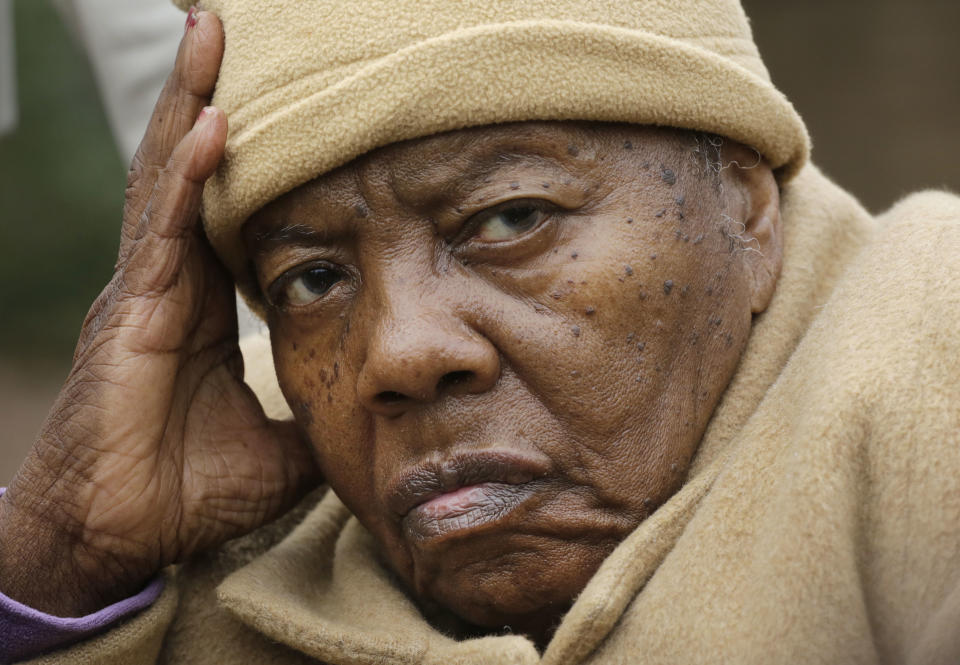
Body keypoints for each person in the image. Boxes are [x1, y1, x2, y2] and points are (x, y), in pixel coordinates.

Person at [1, 1, 959, 663]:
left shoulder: (928, 352)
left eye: (509, 220)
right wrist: (64, 548)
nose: (399, 354)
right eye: (314, 278)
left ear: (746, 204)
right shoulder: (199, 550)